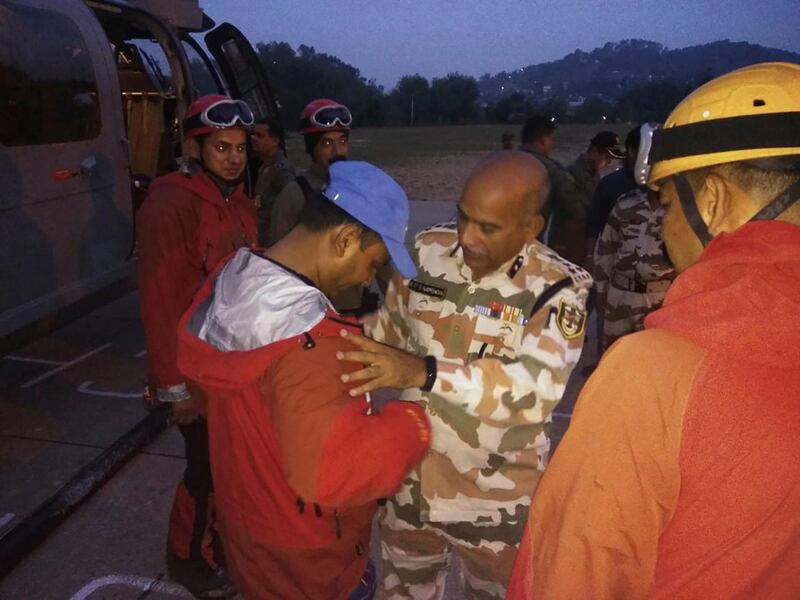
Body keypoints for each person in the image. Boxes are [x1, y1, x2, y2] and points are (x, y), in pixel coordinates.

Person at [507, 61, 800, 599]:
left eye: (666, 204)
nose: (663, 225)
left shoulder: (654, 374)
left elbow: (568, 577)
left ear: (710, 200)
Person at [336, 151, 592, 599]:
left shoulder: (558, 289)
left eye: (487, 227)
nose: (466, 237)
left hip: (494, 504)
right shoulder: (428, 251)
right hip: (410, 483)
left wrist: (425, 372)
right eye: (462, 217)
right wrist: (326, 341)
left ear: (530, 227)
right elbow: (392, 327)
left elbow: (533, 391)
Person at [176, 161, 431, 600]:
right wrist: (412, 421)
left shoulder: (230, 279)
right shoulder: (311, 344)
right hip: (307, 555)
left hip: (248, 521)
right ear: (345, 240)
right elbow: (335, 471)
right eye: (373, 262)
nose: (368, 277)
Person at [136, 94, 257, 598]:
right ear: (194, 146)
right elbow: (160, 298)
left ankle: (219, 545)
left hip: (231, 364)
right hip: (194, 370)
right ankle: (187, 559)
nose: (233, 157)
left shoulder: (237, 199)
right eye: (222, 147)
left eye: (240, 147)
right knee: (203, 471)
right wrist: (174, 387)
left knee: (229, 469)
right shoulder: (171, 201)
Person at [593, 133, 676, 351]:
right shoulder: (626, 204)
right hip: (620, 297)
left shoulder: (680, 213)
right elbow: (605, 253)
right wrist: (601, 295)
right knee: (613, 360)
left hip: (661, 301)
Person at [266, 98, 351, 247]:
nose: (337, 151)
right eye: (327, 143)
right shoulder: (294, 195)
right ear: (311, 148)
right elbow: (276, 260)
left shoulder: (356, 190)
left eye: (342, 141)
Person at [518, 115, 586, 264]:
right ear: (543, 140)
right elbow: (575, 209)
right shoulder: (551, 170)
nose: (552, 144)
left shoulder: (500, 160)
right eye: (551, 139)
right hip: (529, 249)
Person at [584, 123, 643, 261]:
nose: (610, 161)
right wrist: (589, 257)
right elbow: (592, 226)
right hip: (613, 264)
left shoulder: (660, 184)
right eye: (607, 156)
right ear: (632, 152)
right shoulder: (609, 184)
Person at [249, 117, 295, 246]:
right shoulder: (265, 166)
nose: (253, 139)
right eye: (253, 135)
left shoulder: (282, 171)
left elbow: (289, 211)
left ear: (275, 140)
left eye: (259, 136)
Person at [568, 130, 624, 204]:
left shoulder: (594, 175)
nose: (609, 162)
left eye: (611, 158)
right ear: (594, 150)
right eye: (607, 157)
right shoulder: (572, 176)